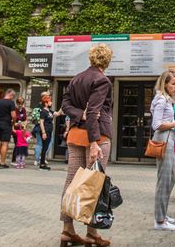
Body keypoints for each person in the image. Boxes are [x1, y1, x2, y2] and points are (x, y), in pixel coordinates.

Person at [60, 44, 114, 247]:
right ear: (107, 61)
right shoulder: (102, 80)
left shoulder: (76, 78)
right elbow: (93, 112)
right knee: (94, 184)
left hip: (75, 134)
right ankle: (92, 233)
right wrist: (93, 142)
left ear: (91, 59)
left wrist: (77, 114)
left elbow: (65, 105)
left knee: (71, 182)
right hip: (96, 136)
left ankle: (67, 230)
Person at [150, 69, 175, 232]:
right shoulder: (162, 100)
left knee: (170, 179)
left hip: (168, 139)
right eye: (173, 84)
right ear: (165, 84)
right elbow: (156, 125)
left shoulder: (166, 100)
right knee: (165, 180)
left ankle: (161, 215)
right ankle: (160, 220)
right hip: (164, 139)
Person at [31, 92, 58, 171]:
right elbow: (41, 122)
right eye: (49, 100)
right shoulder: (42, 110)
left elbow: (58, 113)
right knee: (42, 146)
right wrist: (43, 132)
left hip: (48, 130)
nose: (51, 102)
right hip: (43, 130)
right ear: (46, 102)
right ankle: (41, 162)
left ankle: (41, 160)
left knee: (45, 146)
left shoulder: (49, 110)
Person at [0, 88, 16, 169]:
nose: (13, 97)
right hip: (6, 124)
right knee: (5, 144)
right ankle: (2, 163)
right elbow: (13, 115)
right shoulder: (11, 103)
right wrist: (13, 122)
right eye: (13, 96)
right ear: (10, 94)